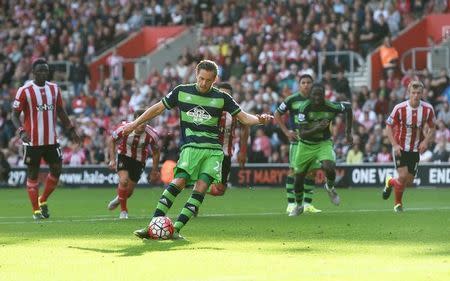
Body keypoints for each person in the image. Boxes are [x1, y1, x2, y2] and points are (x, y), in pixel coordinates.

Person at [126, 60, 273, 240]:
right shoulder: (181, 91)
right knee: (179, 182)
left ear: (215, 79)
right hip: (191, 148)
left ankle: (176, 229)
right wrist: (134, 123)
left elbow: (244, 118)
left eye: (208, 80)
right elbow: (157, 109)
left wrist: (260, 119)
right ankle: (152, 226)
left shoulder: (222, 98)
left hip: (213, 151)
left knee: (201, 189)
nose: (204, 83)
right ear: (196, 75)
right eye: (201, 78)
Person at [11, 58, 81, 220]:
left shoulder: (54, 89)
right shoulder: (25, 90)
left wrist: (71, 129)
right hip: (32, 141)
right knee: (33, 174)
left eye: (46, 70)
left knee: (57, 169)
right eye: (40, 71)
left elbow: (61, 111)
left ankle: (42, 200)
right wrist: (21, 131)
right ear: (33, 72)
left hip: (51, 140)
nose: (43, 73)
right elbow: (14, 115)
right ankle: (36, 211)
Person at [289, 83, 353, 216]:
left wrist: (348, 132)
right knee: (299, 177)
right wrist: (318, 127)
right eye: (314, 95)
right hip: (305, 144)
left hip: (323, 143)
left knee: (329, 166)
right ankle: (299, 205)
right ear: (310, 96)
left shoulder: (331, 106)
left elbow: (348, 107)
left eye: (320, 95)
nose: (317, 98)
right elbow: (302, 133)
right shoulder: (304, 108)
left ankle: (330, 187)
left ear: (324, 95)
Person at [383, 80, 436, 212]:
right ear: (408, 93)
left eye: (418, 93)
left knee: (409, 181)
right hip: (400, 148)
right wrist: (394, 145)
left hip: (415, 149)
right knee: (402, 176)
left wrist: (425, 141)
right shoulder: (399, 108)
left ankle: (390, 182)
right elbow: (388, 127)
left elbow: (433, 127)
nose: (416, 95)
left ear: (422, 93)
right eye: (413, 93)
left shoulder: (428, 109)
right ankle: (398, 204)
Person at [274, 74, 322, 214]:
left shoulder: (317, 100)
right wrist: (287, 132)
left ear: (312, 85)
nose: (306, 85)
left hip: (313, 141)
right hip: (298, 141)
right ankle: (290, 204)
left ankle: (307, 204)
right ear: (299, 84)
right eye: (303, 82)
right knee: (294, 171)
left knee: (312, 173)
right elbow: (277, 114)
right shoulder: (291, 99)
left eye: (308, 82)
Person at [106, 109, 161, 219]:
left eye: (145, 122)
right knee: (123, 181)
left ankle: (119, 198)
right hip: (124, 156)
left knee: (129, 192)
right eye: (140, 122)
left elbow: (156, 152)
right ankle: (123, 211)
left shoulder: (152, 135)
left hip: (139, 161)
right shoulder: (124, 128)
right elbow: (111, 140)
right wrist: (112, 160)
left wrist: (154, 170)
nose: (142, 125)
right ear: (135, 120)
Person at [206, 82, 249, 197]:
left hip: (226, 152)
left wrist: (243, 151)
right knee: (203, 181)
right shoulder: (209, 107)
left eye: (227, 95)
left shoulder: (236, 111)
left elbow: (245, 128)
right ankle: (194, 203)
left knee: (219, 190)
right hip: (208, 151)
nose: (224, 97)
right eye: (221, 94)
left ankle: (200, 189)